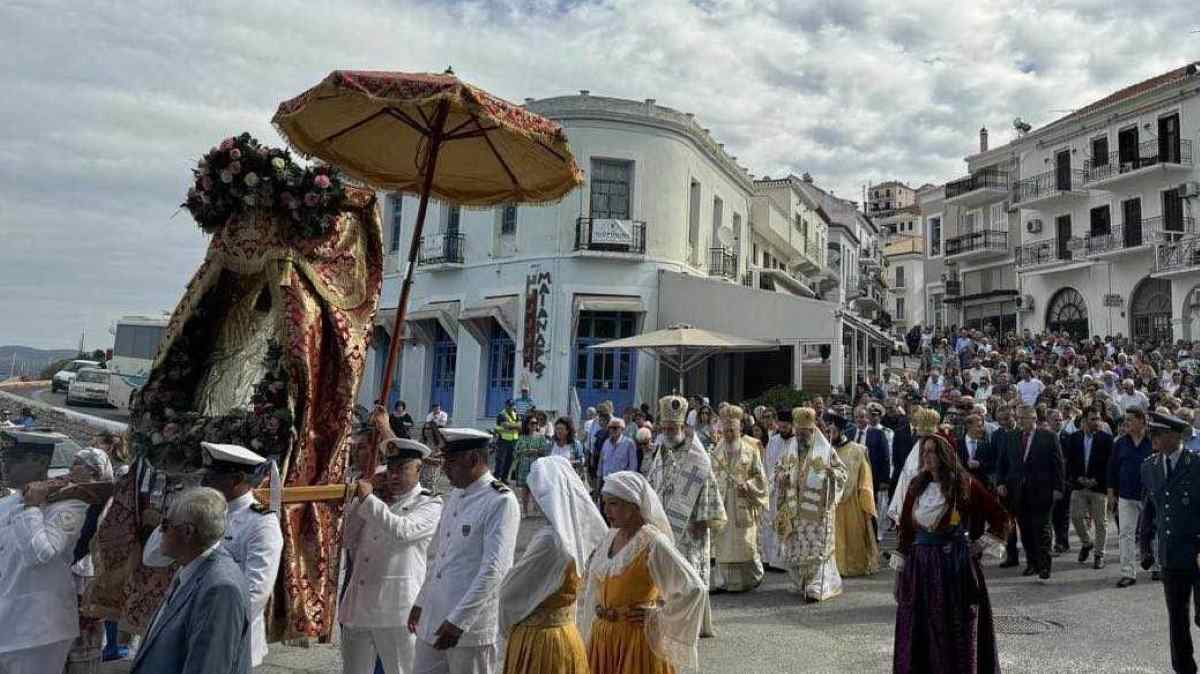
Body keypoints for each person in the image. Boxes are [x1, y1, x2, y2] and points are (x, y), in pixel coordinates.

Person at [142, 442, 284, 668]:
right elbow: (152, 557)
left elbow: (256, 591)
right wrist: (176, 513)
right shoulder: (196, 510)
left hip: (227, 635)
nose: (204, 480)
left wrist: (214, 626)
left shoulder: (261, 523)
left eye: (213, 475)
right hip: (183, 627)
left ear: (236, 479)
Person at [891, 433, 1010, 674]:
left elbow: (999, 515)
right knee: (920, 627)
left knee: (952, 626)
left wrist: (980, 544)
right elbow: (905, 528)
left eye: (933, 451)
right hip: (920, 566)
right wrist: (900, 570)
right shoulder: (917, 485)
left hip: (952, 566)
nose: (928, 456)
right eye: (924, 451)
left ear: (944, 455)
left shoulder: (963, 484)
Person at [408, 427, 520, 674]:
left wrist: (459, 621)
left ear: (473, 460)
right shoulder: (457, 494)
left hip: (469, 629)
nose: (444, 467)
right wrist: (421, 601)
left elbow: (495, 569)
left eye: (450, 461)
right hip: (435, 616)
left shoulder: (500, 500)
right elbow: (442, 556)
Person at [581, 471, 706, 674]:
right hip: (603, 641)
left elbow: (694, 588)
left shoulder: (652, 543)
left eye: (613, 504)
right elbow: (595, 588)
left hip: (636, 644)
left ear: (632, 505)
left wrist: (657, 616)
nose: (606, 510)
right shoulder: (610, 538)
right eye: (605, 503)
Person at [340, 430, 443, 674]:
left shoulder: (429, 503)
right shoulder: (376, 500)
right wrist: (360, 501)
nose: (394, 475)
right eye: (391, 469)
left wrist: (369, 501)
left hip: (396, 610)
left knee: (401, 669)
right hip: (359, 605)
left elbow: (402, 531)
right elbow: (347, 538)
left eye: (402, 469)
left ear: (418, 470)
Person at [499, 456, 607, 674]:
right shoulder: (574, 534)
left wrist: (506, 629)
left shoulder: (551, 539)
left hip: (541, 640)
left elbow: (511, 593)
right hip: (566, 633)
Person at [128, 487, 251, 674]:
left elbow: (208, 667)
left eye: (166, 524)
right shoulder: (189, 569)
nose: (160, 531)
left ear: (187, 532)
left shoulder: (220, 589)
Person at [0, 432, 89, 674]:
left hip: (39, 631)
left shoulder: (70, 505)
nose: (4, 465)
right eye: (4, 456)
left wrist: (31, 508)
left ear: (40, 463)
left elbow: (40, 554)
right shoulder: (6, 504)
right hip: (6, 625)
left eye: (13, 459)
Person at [642, 395, 726, 636]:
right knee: (668, 574)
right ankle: (673, 620)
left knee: (691, 574)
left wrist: (702, 520)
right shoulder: (660, 451)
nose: (668, 431)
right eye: (665, 427)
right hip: (664, 523)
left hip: (690, 526)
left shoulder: (697, 456)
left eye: (673, 427)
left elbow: (708, 487)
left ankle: (695, 624)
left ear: (682, 427)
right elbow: (652, 484)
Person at [1137, 412, 1200, 674]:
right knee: (1177, 618)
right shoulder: (1149, 466)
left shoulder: (1195, 464)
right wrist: (1145, 547)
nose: (1153, 439)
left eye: (1158, 434)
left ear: (1174, 436)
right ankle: (1184, 669)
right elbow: (1148, 509)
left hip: (1197, 551)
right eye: (1152, 434)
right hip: (1170, 553)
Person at [773, 407, 848, 601]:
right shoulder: (789, 449)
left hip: (816, 511)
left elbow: (842, 473)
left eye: (803, 433)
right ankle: (802, 581)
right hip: (794, 508)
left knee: (816, 550)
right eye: (797, 433)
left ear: (812, 431)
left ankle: (818, 584)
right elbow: (779, 468)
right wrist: (780, 476)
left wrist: (834, 475)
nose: (799, 437)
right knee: (797, 547)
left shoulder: (825, 450)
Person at [996, 405, 1064, 580]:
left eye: (1022, 418)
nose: (1018, 421)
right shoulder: (1011, 437)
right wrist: (1001, 483)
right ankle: (1032, 563)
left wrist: (1058, 488)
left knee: (1042, 528)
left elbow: (1058, 465)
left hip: (1042, 490)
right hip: (1017, 492)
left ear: (1033, 418)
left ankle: (1044, 565)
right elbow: (1002, 463)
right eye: (1017, 418)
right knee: (1025, 529)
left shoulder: (1048, 437)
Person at [65, 447, 115, 674]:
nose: (72, 467)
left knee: (84, 639)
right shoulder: (69, 495)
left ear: (94, 472)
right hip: (66, 579)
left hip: (88, 578)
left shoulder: (105, 505)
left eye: (78, 463)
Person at [709, 405, 768, 593]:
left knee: (744, 542)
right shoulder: (715, 453)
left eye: (732, 430)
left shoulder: (751, 451)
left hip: (742, 503)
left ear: (739, 429)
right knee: (723, 544)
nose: (728, 434)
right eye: (725, 430)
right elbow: (710, 479)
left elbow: (761, 477)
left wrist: (749, 485)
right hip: (723, 503)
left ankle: (749, 578)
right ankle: (722, 581)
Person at [826, 412, 879, 578]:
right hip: (830, 501)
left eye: (833, 432)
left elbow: (865, 479)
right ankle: (833, 567)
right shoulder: (825, 450)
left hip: (853, 503)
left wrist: (866, 501)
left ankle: (853, 565)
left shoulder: (858, 450)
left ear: (841, 431)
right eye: (828, 432)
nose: (830, 435)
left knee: (853, 536)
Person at [1108, 406, 1155, 587]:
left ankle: (1157, 566)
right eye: (1125, 419)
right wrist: (1111, 493)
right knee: (1125, 533)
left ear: (1142, 420)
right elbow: (1111, 469)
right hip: (1126, 495)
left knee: (1153, 531)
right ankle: (1128, 572)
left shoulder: (1153, 441)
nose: (1126, 422)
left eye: (1130, 419)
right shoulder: (1120, 442)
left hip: (1149, 496)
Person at [1064, 409, 1113, 569]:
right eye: (1093, 419)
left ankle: (1099, 555)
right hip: (1079, 485)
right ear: (1084, 421)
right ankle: (1087, 543)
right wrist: (1077, 478)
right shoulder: (1074, 438)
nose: (1097, 422)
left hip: (1098, 487)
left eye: (1098, 419)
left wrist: (1097, 480)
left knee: (1101, 523)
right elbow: (1069, 462)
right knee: (1076, 517)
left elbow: (1109, 465)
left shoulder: (1106, 439)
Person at [761, 408, 796, 571]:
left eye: (785, 426)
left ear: (791, 425)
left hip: (790, 491)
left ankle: (784, 559)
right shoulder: (774, 441)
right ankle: (770, 558)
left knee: (786, 523)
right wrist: (771, 482)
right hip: (774, 488)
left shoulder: (797, 442)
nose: (782, 429)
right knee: (770, 523)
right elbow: (767, 463)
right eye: (780, 426)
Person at [512, 414, 550, 516]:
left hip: (536, 465)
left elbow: (545, 451)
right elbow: (516, 451)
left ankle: (537, 509)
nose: (534, 425)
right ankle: (525, 511)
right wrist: (524, 452)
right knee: (525, 489)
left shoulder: (541, 437)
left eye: (536, 423)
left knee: (537, 488)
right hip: (524, 464)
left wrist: (536, 451)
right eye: (532, 423)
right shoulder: (522, 438)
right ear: (527, 425)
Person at [598, 418, 639, 498]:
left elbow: (633, 466)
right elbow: (601, 463)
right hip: (606, 482)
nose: (613, 430)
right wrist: (598, 483)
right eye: (611, 428)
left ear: (622, 429)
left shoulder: (629, 443)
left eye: (616, 428)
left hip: (621, 484)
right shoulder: (606, 443)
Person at [957, 414, 996, 487]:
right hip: (961, 487)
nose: (982, 429)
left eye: (982, 426)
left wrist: (979, 464)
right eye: (979, 426)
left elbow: (993, 466)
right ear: (968, 426)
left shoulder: (986, 446)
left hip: (982, 487)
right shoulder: (957, 444)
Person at [549, 416, 589, 487]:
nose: (559, 431)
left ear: (568, 430)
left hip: (570, 481)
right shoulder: (551, 443)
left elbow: (582, 460)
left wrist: (570, 462)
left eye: (561, 429)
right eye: (557, 428)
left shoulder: (575, 444)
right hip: (553, 480)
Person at [494, 400, 521, 482]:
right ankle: (496, 478)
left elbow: (520, 426)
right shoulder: (501, 415)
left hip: (513, 441)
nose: (510, 407)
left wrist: (512, 426)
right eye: (509, 405)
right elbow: (505, 425)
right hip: (503, 440)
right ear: (505, 405)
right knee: (500, 460)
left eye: (512, 405)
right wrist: (515, 425)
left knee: (509, 461)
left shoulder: (515, 414)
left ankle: (504, 478)